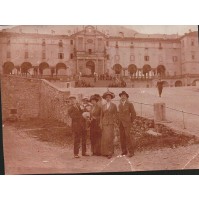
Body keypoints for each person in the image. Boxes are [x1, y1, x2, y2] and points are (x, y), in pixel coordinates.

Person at [118, 91, 136, 157]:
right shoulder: (119, 105)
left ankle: (131, 152)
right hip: (121, 124)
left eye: (124, 96)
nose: (122, 97)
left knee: (128, 137)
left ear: (126, 97)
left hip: (127, 123)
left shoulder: (129, 104)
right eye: (121, 96)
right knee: (122, 137)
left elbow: (134, 114)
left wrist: (130, 121)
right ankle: (124, 151)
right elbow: (119, 114)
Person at [100, 90, 117, 159]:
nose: (108, 98)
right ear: (105, 98)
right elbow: (101, 115)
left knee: (110, 138)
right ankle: (104, 152)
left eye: (109, 97)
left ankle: (110, 152)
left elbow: (115, 115)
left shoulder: (114, 105)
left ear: (111, 98)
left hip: (110, 123)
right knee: (104, 138)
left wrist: (115, 123)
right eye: (106, 97)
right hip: (104, 123)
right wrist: (100, 123)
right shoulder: (103, 106)